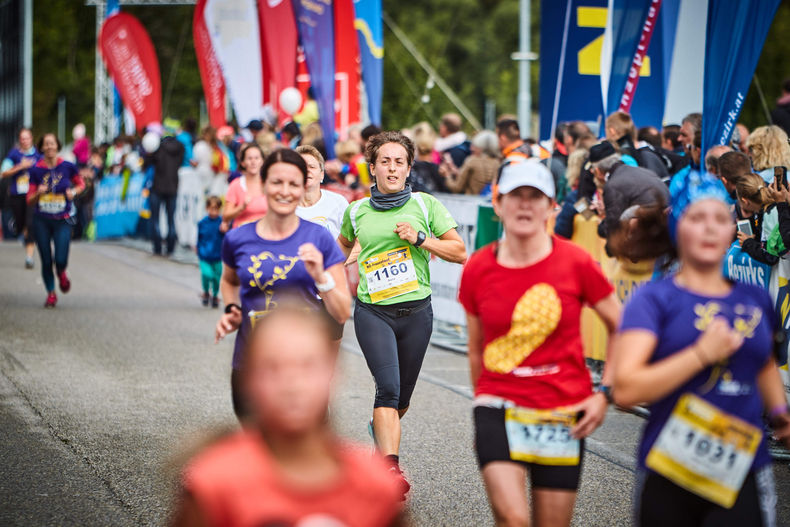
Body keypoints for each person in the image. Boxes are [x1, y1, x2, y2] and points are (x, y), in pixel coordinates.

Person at [613, 171, 790, 526]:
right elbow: (626, 389)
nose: (710, 228)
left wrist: (780, 413)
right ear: (677, 227)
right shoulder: (654, 300)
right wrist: (701, 354)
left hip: (741, 471)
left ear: (731, 230)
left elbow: (763, 362)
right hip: (670, 470)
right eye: (697, 217)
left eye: (720, 218)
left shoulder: (754, 299)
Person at [458, 160, 621, 527]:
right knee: (514, 519)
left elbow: (621, 326)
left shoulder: (575, 261)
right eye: (516, 196)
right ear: (498, 204)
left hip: (563, 412)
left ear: (552, 207)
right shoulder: (478, 268)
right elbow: (475, 347)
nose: (526, 205)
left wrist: (605, 393)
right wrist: (480, 409)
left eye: (536, 197)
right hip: (499, 404)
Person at [174, 305, 404, 527]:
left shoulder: (374, 486)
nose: (291, 384)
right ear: (248, 380)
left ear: (333, 373)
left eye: (308, 366)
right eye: (272, 368)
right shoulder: (214, 484)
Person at [337, 130, 467, 498]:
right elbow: (341, 250)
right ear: (372, 167)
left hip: (416, 314)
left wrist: (421, 239)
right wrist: (324, 271)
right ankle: (389, 471)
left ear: (409, 168)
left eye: (399, 162)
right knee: (388, 390)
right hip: (372, 312)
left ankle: (380, 429)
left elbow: (459, 252)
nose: (392, 168)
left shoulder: (425, 206)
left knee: (402, 398)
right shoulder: (357, 210)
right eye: (385, 161)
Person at [215, 149, 351, 418]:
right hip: (251, 364)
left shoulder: (320, 237)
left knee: (299, 456)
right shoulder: (238, 239)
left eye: (293, 184)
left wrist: (321, 277)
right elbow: (229, 280)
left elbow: (343, 310)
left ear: (303, 188)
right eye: (277, 182)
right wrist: (232, 309)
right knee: (258, 451)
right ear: (263, 185)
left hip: (303, 371)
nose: (285, 191)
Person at [27, 133, 85, 308]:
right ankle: (51, 293)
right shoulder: (36, 170)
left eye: (52, 144)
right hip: (42, 220)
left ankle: (61, 273)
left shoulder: (68, 167)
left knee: (60, 258)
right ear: (42, 148)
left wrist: (73, 192)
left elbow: (81, 184)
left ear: (58, 146)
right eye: (46, 144)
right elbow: (29, 199)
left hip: (62, 219)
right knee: (46, 259)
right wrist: (38, 193)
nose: (50, 147)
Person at [588, 141, 670, 255]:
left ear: (598, 171)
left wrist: (608, 247)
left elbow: (613, 227)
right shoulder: (640, 171)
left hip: (651, 236)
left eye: (592, 171)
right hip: (666, 231)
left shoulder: (613, 184)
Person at [2, 127, 39, 269]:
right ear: (19, 140)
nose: (25, 141)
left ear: (32, 138)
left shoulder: (38, 154)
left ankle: (29, 257)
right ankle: (25, 235)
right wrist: (20, 166)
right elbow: (4, 173)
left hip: (33, 195)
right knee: (20, 224)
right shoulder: (13, 154)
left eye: (27, 137)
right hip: (17, 194)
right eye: (22, 138)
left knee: (30, 224)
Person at [735, 172, 790, 266]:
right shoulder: (764, 210)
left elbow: (770, 256)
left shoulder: (770, 213)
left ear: (745, 201)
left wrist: (748, 243)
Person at [295, 145, 349, 240]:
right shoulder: (287, 207)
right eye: (301, 166)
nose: (307, 170)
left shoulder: (338, 202)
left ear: (322, 174)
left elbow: (351, 240)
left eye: (312, 167)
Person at [148, 131, 185, 256]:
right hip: (173, 187)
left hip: (157, 187)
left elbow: (149, 161)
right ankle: (170, 248)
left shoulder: (158, 147)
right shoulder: (180, 147)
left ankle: (157, 247)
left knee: (156, 220)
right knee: (171, 220)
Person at [223, 143, 268, 230]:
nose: (253, 162)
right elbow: (225, 216)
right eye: (249, 158)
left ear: (262, 161)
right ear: (243, 163)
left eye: (256, 158)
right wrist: (241, 207)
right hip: (242, 234)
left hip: (265, 235)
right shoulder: (236, 185)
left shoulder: (269, 184)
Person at [442, 130, 500, 195]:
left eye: (475, 145)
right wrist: (453, 168)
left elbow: (456, 188)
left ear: (481, 147)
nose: (471, 148)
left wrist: (447, 175)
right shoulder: (497, 163)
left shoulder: (472, 161)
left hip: (471, 202)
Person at [197, 196, 224, 308]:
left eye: (216, 209)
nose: (214, 212)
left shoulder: (222, 223)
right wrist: (199, 250)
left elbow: (227, 237)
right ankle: (206, 291)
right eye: (212, 208)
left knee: (217, 278)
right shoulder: (202, 223)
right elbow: (199, 238)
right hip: (205, 255)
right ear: (207, 208)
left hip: (218, 256)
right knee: (207, 274)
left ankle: (215, 295)